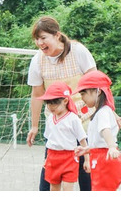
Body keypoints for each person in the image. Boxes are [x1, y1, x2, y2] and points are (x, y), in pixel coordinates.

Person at [26, 15, 97, 191]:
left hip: (84, 123)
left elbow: (97, 84)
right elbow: (37, 94)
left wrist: (109, 111)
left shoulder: (78, 51)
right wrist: (34, 126)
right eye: (36, 39)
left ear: (57, 35)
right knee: (48, 183)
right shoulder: (37, 60)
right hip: (57, 130)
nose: (39, 43)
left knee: (88, 181)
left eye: (43, 38)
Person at [74, 70, 121, 191]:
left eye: (83, 93)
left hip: (106, 160)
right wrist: (88, 149)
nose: (82, 98)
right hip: (100, 157)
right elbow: (99, 140)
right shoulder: (99, 112)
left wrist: (111, 146)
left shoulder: (103, 112)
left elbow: (104, 130)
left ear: (98, 91)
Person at [37, 81, 88, 191]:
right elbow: (49, 139)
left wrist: (87, 160)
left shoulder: (73, 118)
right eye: (48, 103)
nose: (50, 106)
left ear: (65, 101)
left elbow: (83, 140)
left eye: (54, 102)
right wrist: (46, 159)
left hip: (69, 157)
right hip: (53, 157)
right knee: (53, 188)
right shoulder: (50, 118)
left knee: (67, 188)